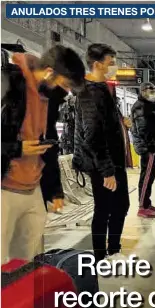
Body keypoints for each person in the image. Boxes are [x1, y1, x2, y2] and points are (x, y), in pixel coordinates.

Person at [1, 45, 85, 264]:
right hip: (4, 188)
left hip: (32, 189)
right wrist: (17, 149)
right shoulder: (7, 85)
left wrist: (54, 190)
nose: (65, 92)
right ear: (49, 72)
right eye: (64, 85)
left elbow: (49, 147)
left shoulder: (49, 97)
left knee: (26, 264)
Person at [73, 43, 130, 263]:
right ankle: (101, 256)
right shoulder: (89, 92)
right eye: (111, 63)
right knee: (105, 208)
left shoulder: (101, 88)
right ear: (97, 64)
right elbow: (93, 135)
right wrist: (107, 171)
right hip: (102, 163)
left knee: (118, 205)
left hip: (111, 160)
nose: (114, 67)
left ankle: (113, 250)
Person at [130, 82, 155, 218]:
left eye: (154, 90)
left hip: (153, 147)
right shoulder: (141, 107)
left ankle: (147, 202)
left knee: (150, 177)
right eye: (150, 90)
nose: (153, 93)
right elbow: (144, 130)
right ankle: (142, 207)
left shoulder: (149, 106)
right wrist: (152, 146)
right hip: (148, 148)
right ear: (142, 91)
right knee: (146, 177)